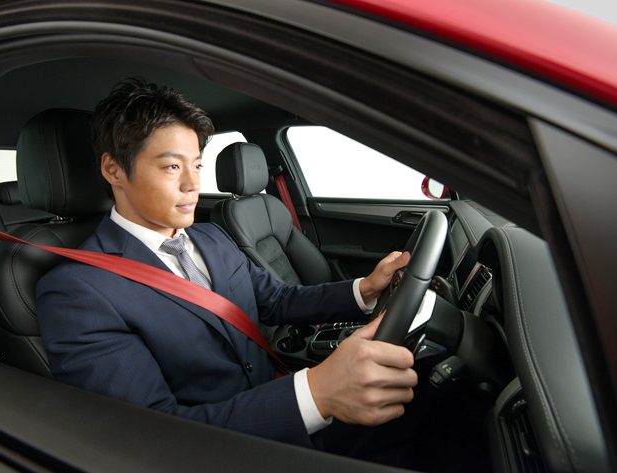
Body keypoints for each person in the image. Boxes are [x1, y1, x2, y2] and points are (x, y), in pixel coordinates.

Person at [36, 78, 418, 454]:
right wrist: (316, 394)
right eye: (171, 167)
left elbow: (277, 300)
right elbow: (150, 433)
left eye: (197, 165)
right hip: (225, 451)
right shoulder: (77, 292)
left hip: (284, 406)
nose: (192, 184)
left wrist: (364, 289)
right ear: (114, 170)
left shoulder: (211, 237)